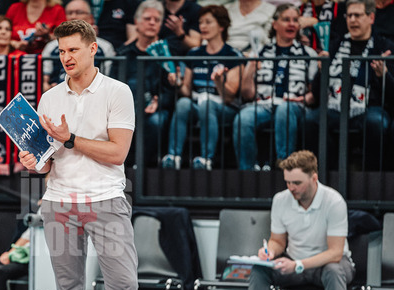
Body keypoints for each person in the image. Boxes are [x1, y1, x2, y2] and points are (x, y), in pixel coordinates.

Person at [18, 19, 163, 290]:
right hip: (58, 202)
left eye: (73, 50)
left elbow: (117, 152)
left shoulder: (117, 92)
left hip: (106, 200)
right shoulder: (49, 98)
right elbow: (47, 160)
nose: (66, 57)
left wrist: (70, 139)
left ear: (93, 48)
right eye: (61, 51)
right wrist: (34, 162)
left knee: (124, 288)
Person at [238, 150, 355, 290]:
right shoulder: (281, 200)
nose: (291, 188)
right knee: (259, 271)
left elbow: (335, 252)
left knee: (334, 271)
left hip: (328, 263)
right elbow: (278, 241)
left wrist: (299, 264)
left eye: (297, 183)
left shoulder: (334, 201)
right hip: (294, 262)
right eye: (288, 182)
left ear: (314, 178)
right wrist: (269, 251)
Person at [306, 0, 394, 171]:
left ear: (371, 18)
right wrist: (321, 71)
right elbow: (317, 93)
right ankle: (327, 175)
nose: (353, 20)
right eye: (349, 16)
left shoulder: (384, 47)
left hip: (370, 107)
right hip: (335, 106)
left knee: (376, 122)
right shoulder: (335, 45)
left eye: (358, 15)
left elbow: (391, 96)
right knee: (311, 120)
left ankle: (371, 178)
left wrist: (383, 75)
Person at [233, 4, 318, 170]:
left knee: (284, 109)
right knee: (244, 118)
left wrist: (305, 99)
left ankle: (284, 167)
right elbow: (247, 94)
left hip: (294, 106)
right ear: (274, 24)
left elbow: (313, 92)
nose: (291, 24)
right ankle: (247, 172)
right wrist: (250, 68)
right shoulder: (261, 52)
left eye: (295, 20)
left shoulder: (309, 54)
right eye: (286, 20)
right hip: (264, 104)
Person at [164, 5, 244, 170]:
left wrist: (219, 82)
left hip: (224, 108)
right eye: (200, 22)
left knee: (207, 104)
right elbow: (186, 91)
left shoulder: (233, 55)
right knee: (183, 103)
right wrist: (178, 83)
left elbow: (229, 97)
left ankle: (206, 159)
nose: (203, 26)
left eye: (208, 22)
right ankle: (173, 157)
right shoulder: (194, 54)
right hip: (197, 104)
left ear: (221, 26)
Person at [114, 0, 177, 167]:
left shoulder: (166, 54)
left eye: (157, 20)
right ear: (136, 22)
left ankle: (140, 166)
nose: (152, 23)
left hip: (155, 110)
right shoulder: (124, 54)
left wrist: (159, 101)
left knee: (156, 121)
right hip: (126, 109)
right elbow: (113, 85)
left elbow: (172, 90)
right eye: (148, 18)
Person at [42, 0, 115, 93]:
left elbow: (107, 78)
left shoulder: (104, 47)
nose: (73, 16)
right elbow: (45, 81)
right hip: (58, 92)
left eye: (79, 12)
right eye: (69, 13)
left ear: (91, 18)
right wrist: (48, 88)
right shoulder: (51, 46)